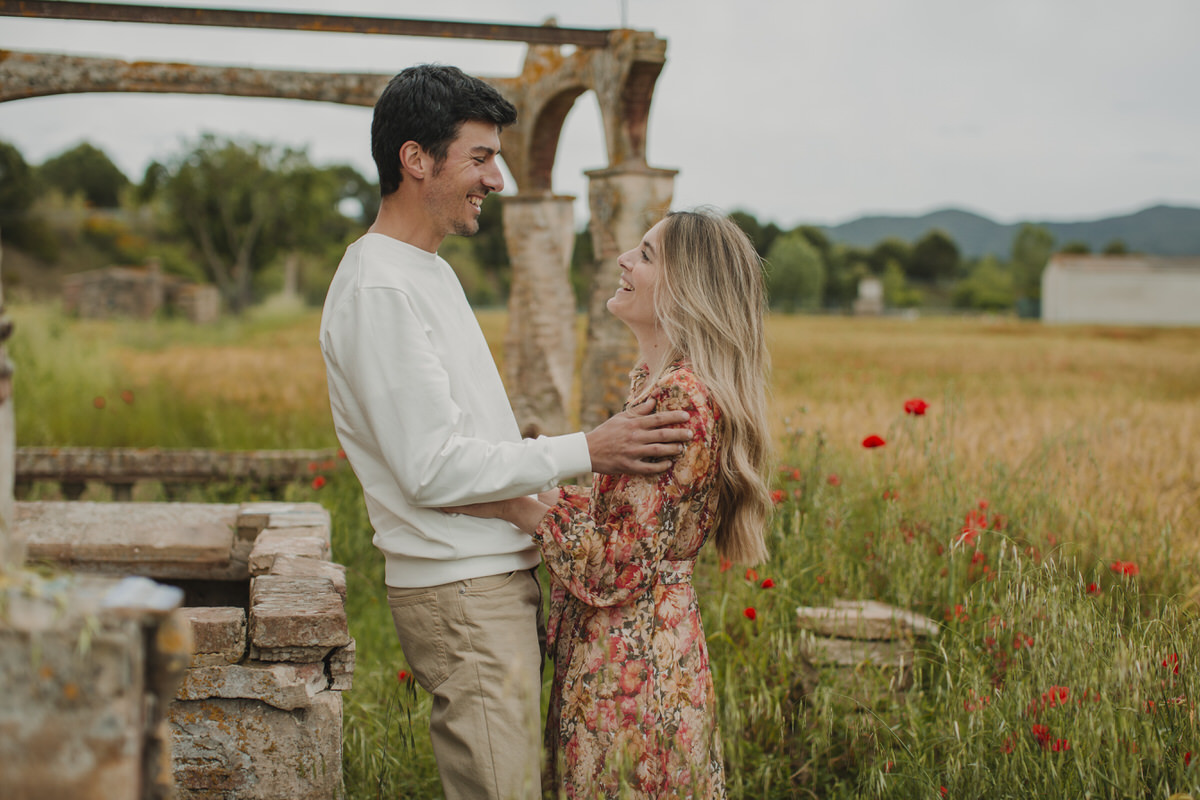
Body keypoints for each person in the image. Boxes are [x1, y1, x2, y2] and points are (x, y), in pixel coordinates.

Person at [318, 64, 694, 800]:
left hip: (486, 580)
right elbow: (431, 467)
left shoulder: (426, 271)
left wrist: (536, 497)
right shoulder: (381, 289)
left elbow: (455, 445)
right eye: (481, 157)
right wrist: (592, 447)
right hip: (461, 592)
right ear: (416, 159)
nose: (498, 179)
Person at [446, 209, 773, 798]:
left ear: (688, 288)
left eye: (645, 254)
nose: (622, 260)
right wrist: (541, 481)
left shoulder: (680, 401)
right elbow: (634, 523)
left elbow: (613, 564)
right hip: (630, 650)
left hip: (632, 666)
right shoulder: (661, 383)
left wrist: (514, 506)